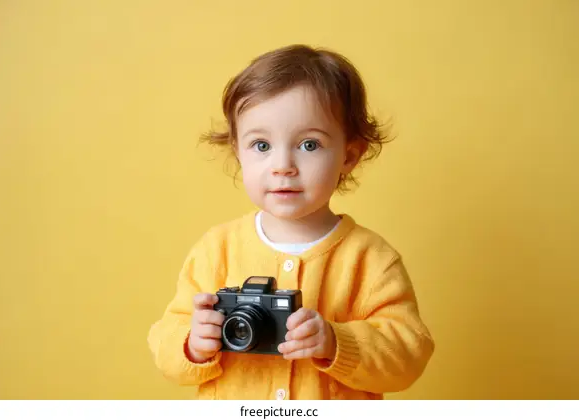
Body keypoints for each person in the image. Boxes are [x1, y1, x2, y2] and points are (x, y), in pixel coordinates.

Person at [147, 44, 434, 400]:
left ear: (349, 155)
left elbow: (408, 356)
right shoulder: (216, 249)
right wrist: (191, 342)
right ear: (238, 151)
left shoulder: (371, 258)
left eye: (309, 145)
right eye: (262, 145)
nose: (283, 165)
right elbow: (165, 341)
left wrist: (335, 341)